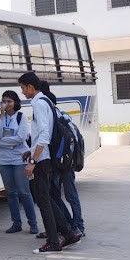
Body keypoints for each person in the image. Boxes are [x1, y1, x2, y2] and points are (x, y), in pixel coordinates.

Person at [18, 72, 81, 253]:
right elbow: (42, 135)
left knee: (43, 199)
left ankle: (54, 241)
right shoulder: (46, 101)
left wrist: (32, 160)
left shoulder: (38, 103)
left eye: (23, 88)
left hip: (43, 160)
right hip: (44, 157)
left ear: (30, 87)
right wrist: (32, 152)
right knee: (47, 198)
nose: (22, 92)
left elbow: (44, 135)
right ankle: (68, 233)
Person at [40, 81, 85, 238]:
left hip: (64, 163)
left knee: (69, 195)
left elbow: (74, 139)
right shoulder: (55, 116)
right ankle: (63, 225)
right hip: (57, 162)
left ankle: (78, 225)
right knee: (56, 196)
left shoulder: (59, 117)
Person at [0, 90, 39, 235]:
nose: (7, 104)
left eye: (9, 101)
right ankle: (16, 223)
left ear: (15, 102)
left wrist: (3, 141)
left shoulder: (21, 117)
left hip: (19, 158)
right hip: (3, 160)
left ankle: (33, 223)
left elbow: (20, 138)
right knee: (11, 193)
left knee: (24, 192)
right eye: (4, 101)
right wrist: (1, 116)